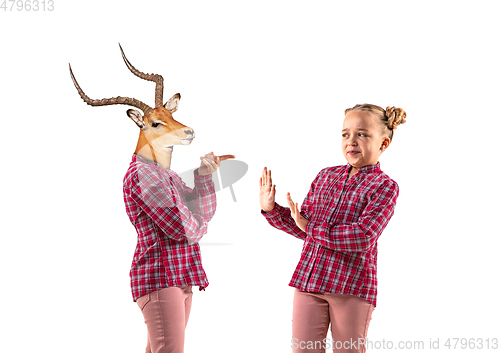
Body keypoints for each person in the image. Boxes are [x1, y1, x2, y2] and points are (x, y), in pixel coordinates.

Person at [259, 104, 406, 353]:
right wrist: (271, 209)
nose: (351, 141)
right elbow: (304, 227)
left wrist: (310, 227)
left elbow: (363, 236)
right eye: (345, 134)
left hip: (352, 287)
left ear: (383, 144)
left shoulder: (385, 186)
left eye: (362, 134)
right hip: (310, 282)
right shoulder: (326, 176)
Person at [124, 151, 233, 353]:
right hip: (162, 277)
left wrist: (204, 176)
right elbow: (182, 229)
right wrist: (200, 225)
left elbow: (203, 209)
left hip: (180, 277)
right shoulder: (144, 174)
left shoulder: (165, 173)